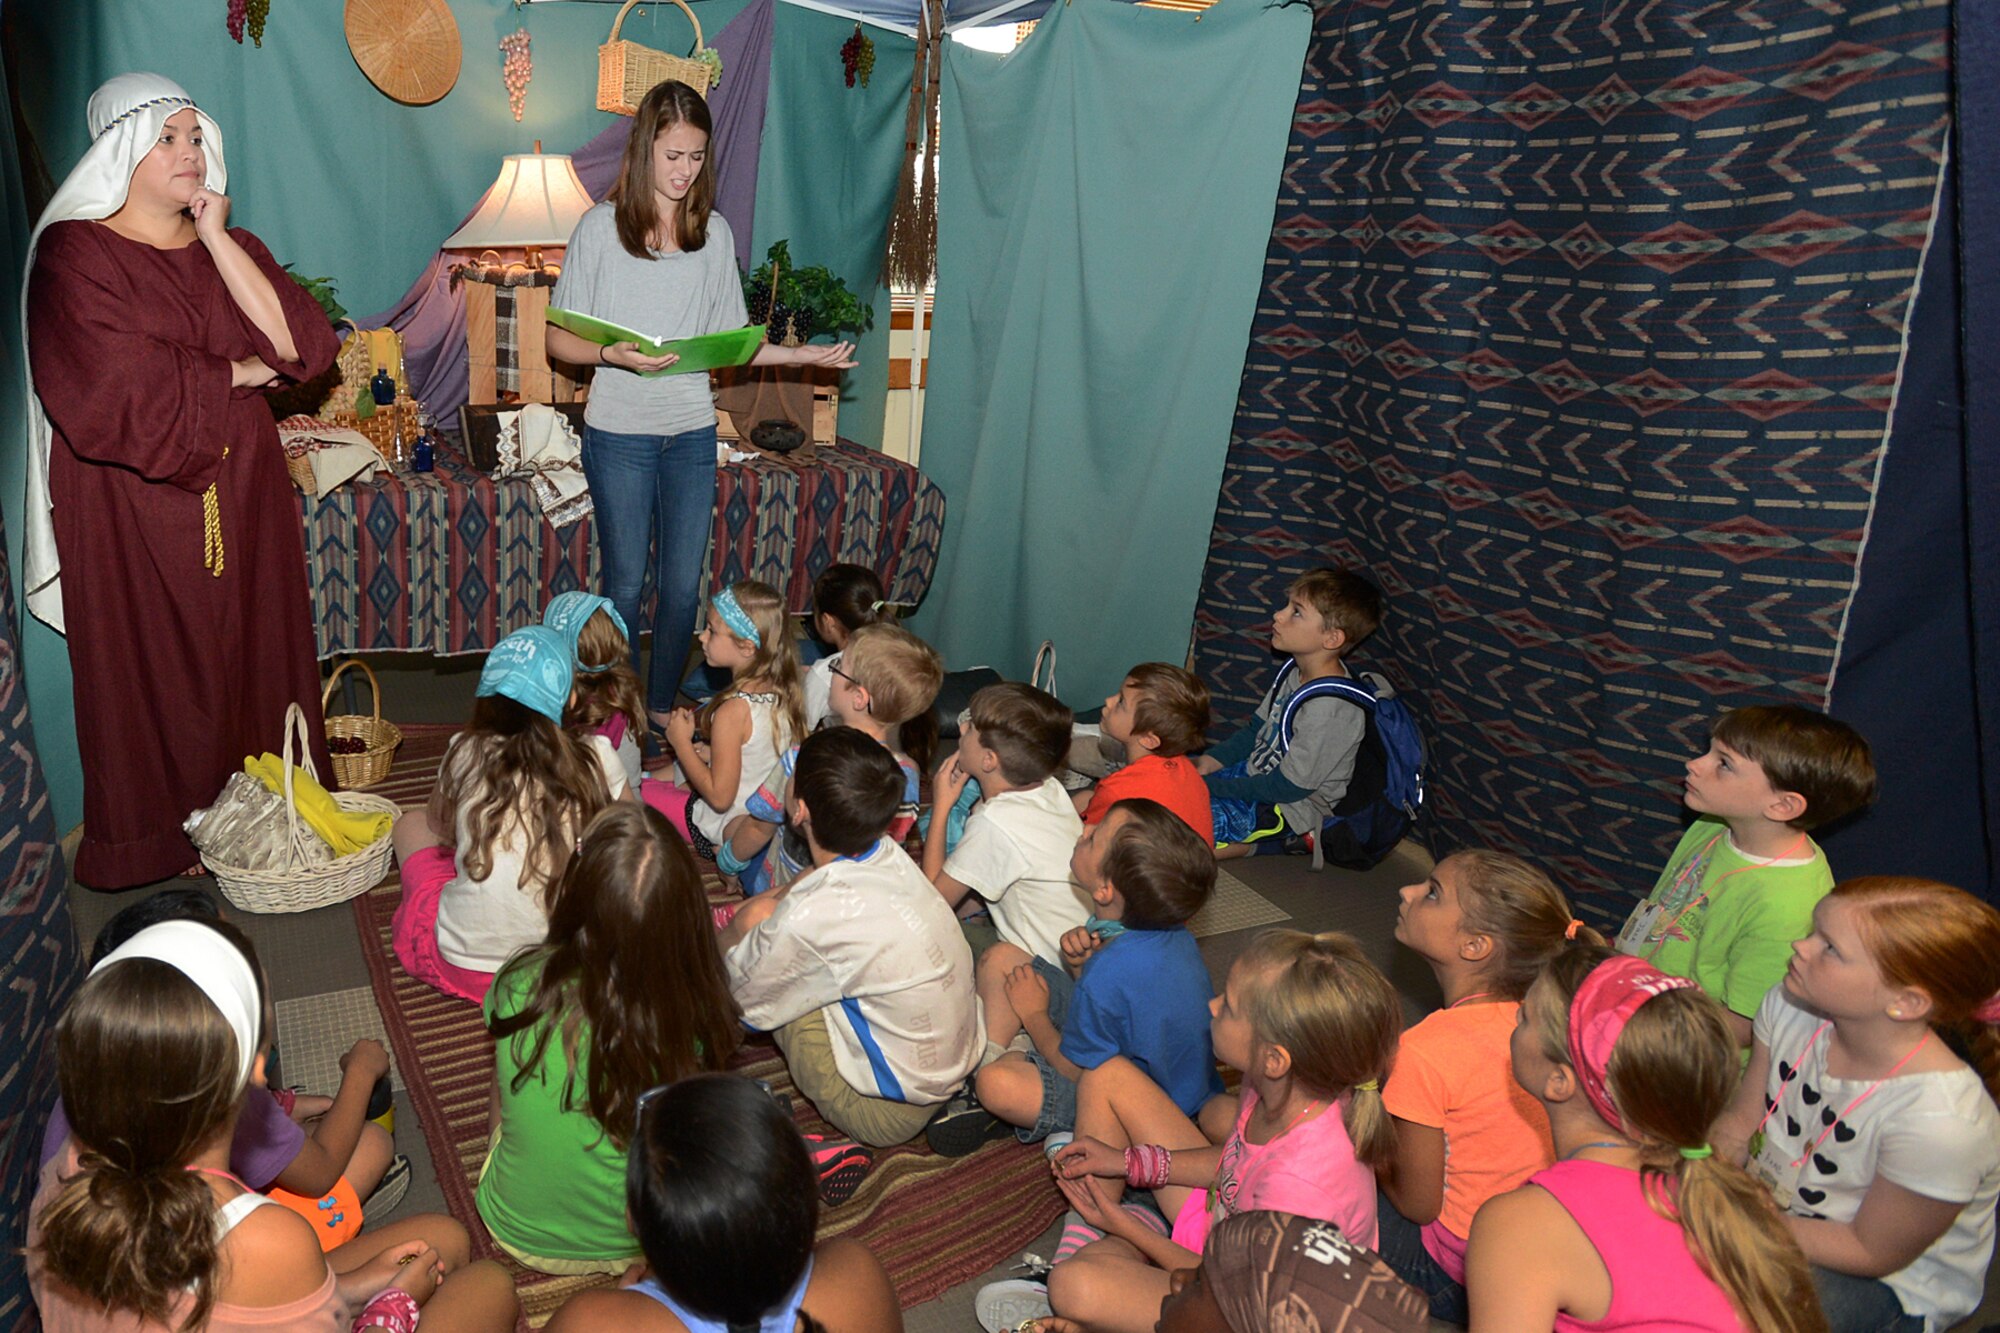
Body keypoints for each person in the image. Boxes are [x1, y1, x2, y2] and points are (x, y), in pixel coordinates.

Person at [21, 72, 339, 889]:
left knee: (255, 652)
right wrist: (235, 373)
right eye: (166, 138)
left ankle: (266, 821)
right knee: (153, 669)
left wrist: (219, 238)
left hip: (244, 491)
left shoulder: (234, 249)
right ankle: (161, 841)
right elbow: (107, 386)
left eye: (197, 137)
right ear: (119, 150)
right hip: (129, 505)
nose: (189, 152)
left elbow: (301, 348)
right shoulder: (75, 255)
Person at [546, 80, 858, 739]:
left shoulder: (712, 234)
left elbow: (734, 343)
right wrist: (610, 355)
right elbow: (557, 339)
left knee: (684, 589)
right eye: (673, 156)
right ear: (643, 150)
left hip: (690, 432)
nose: (685, 170)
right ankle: (623, 715)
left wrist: (806, 356)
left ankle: (661, 708)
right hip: (619, 432)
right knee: (625, 586)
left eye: (696, 156)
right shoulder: (599, 229)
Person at [28, 920, 518, 1332]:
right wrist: (392, 1307)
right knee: (490, 1284)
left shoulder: (64, 1175)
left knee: (441, 1240)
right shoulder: (269, 1238)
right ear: (258, 1071)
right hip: (262, 1275)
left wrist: (351, 1287)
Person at [1000, 931, 1398, 1333]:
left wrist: (1123, 1224)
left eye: (1229, 1007)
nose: (1212, 1005)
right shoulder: (1284, 1086)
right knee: (1107, 1075)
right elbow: (1235, 1162)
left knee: (1072, 1286)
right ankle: (1105, 1239)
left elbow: (1232, 1296)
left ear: (1274, 1059)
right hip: (1223, 1229)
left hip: (1240, 1309)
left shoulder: (1299, 1188)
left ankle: (1115, 1244)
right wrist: (1129, 1162)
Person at [1465, 949, 1825, 1333]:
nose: (1516, 1018)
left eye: (1525, 1017)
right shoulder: (1734, 1197)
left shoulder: (1522, 1225)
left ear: (1559, 1081)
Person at [39, 891, 407, 1252]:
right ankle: (337, 1234)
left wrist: (280, 1107)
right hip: (221, 1265)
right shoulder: (224, 1091)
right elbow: (320, 1173)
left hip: (124, 1253)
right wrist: (360, 1071)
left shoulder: (93, 1077)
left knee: (311, 1133)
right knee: (374, 1145)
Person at [1712, 877, 2000, 1333]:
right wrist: (1708, 1179)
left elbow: (1871, 1251)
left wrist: (1736, 1221)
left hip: (1884, 1277)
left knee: (1735, 1318)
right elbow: (1743, 1118)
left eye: (1830, 948)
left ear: (1905, 1001)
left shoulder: (1943, 1122)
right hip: (1771, 1214)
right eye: (1813, 931)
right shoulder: (1788, 1006)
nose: (1801, 946)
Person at [478, 802, 740, 1272]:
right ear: (688, 915)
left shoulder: (517, 982)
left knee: (509, 1067)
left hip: (518, 1229)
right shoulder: (697, 1008)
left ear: (574, 889)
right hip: (646, 1243)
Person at [721, 728, 983, 1148]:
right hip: (955, 1059)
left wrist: (727, 941)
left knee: (769, 976)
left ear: (800, 810)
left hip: (881, 1111)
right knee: (766, 923)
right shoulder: (889, 854)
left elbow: (743, 1003)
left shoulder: (808, 919)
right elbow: (810, 885)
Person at [1376, 850, 1596, 1322]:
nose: (1407, 891)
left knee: (1328, 1165)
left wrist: (1366, 1146)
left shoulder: (1424, 1050)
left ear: (1475, 946)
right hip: (1543, 1254)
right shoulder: (1552, 1023)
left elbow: (1418, 1205)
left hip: (1457, 1276)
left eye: (1432, 893)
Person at [954, 800, 1222, 1157]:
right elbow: (1118, 1007)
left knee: (996, 1085)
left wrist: (1034, 1015)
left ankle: (1007, 1067)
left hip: (1140, 1110)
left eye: (1095, 838)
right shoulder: (1173, 932)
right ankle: (1006, 1054)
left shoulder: (1109, 971)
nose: (1085, 829)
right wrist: (1080, 966)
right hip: (1162, 1076)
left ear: (1104, 890)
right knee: (1003, 958)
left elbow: (1078, 1071)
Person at [544, 1073, 903, 1333]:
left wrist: (626, 1312)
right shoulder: (859, 1277)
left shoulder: (586, 1321)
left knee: (505, 1290)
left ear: (632, 1222)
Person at [1616, 705, 1877, 1049]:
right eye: (1709, 751)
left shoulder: (1788, 908)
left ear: (1782, 806)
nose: (1694, 764)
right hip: (1633, 1000)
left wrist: (1632, 1024)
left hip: (1678, 1052)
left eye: (1724, 763)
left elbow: (1745, 1026)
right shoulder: (1713, 825)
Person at [392, 626, 625, 1003]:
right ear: (571, 697)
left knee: (410, 824)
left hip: (468, 969)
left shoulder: (465, 749)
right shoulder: (598, 756)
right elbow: (637, 842)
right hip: (568, 970)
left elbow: (438, 824)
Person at [728, 622, 944, 896]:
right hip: (855, 895)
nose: (830, 671)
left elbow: (759, 827)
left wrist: (728, 863)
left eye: (838, 666)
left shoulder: (804, 757)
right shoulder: (906, 774)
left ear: (859, 698)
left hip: (785, 891)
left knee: (733, 829)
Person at [1197, 568, 1391, 859]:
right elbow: (1255, 731)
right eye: (1286, 606)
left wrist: (1211, 787)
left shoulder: (1331, 711)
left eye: (1296, 612)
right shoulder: (1295, 672)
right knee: (1158, 789)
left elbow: (1288, 788)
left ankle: (1261, 845)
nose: (1278, 615)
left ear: (1332, 638)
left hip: (1286, 806)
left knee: (1173, 829)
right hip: (1254, 776)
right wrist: (1209, 762)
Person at [923, 682, 1088, 966]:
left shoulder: (994, 823)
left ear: (989, 760)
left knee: (910, 929)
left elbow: (932, 904)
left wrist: (941, 807)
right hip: (1075, 951)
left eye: (971, 728)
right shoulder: (1049, 786)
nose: (961, 728)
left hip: (1042, 967)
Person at [647, 579, 804, 862]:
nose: (702, 638)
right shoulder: (785, 691)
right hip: (767, 810)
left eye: (712, 630)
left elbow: (720, 799)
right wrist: (710, 752)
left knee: (637, 793)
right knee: (687, 767)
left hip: (725, 824)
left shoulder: (732, 711)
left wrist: (680, 743)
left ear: (746, 647)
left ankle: (646, 784)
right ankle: (653, 780)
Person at [1074, 664, 1214, 845]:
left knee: (1078, 803)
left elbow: (1088, 837)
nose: (1108, 701)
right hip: (1191, 860)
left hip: (1141, 862)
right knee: (1086, 798)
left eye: (1121, 702)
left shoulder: (1116, 789)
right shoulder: (1187, 769)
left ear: (1149, 739)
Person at [546, 591, 648, 791]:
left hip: (587, 801)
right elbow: (631, 784)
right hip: (621, 797)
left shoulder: (561, 704)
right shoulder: (622, 694)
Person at [802, 562, 894, 731]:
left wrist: (811, 680)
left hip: (842, 745)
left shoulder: (823, 675)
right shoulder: (899, 654)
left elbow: (801, 728)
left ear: (828, 621)